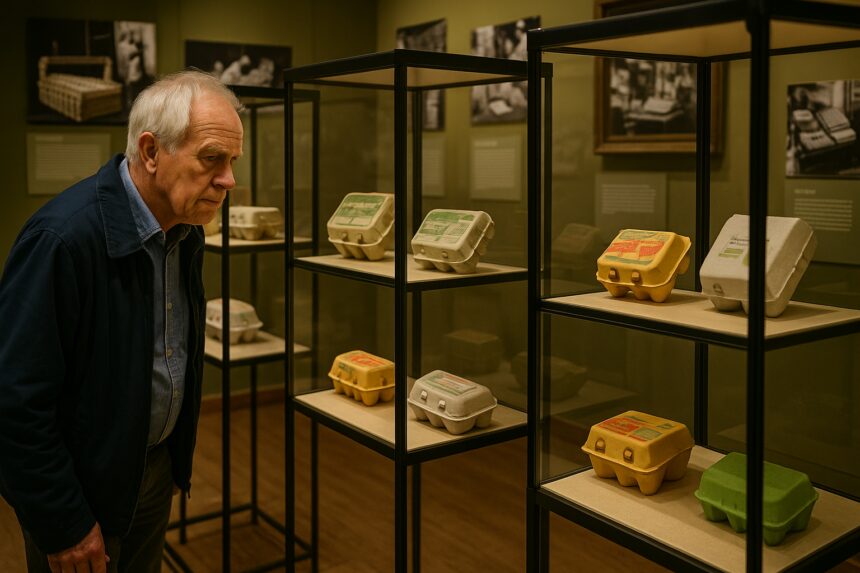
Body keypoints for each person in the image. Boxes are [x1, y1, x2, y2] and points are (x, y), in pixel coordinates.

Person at [0, 70, 244, 572]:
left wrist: (175, 459)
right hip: (81, 491)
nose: (228, 181)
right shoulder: (62, 240)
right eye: (211, 159)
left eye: (232, 162)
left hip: (149, 471)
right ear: (151, 152)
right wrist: (63, 521)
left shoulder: (185, 230)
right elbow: (14, 401)